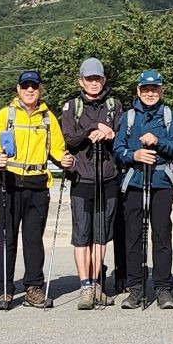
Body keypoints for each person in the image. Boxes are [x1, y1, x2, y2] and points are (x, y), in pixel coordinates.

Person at [0, 69, 65, 310]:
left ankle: (33, 288)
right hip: (9, 182)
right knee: (7, 238)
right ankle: (4, 290)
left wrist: (65, 159)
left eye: (34, 86)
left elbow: (58, 149)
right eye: (25, 86)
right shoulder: (5, 115)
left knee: (33, 240)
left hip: (37, 183)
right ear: (18, 89)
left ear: (40, 89)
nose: (29, 90)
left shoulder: (48, 118)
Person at [113, 69, 173, 310]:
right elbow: (118, 149)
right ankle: (135, 289)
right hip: (134, 182)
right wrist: (134, 155)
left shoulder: (170, 116)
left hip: (161, 183)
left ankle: (163, 288)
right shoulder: (129, 117)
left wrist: (158, 141)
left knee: (161, 236)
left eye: (154, 89)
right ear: (138, 90)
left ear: (161, 90)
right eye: (146, 89)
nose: (150, 93)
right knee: (133, 236)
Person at [57, 58, 124, 310]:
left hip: (108, 178)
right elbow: (69, 139)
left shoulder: (114, 105)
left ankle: (96, 284)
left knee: (101, 236)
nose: (94, 83)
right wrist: (93, 130)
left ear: (103, 80)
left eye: (98, 79)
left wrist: (111, 133)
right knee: (82, 236)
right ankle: (85, 286)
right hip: (82, 179)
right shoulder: (71, 106)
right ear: (81, 81)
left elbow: (121, 137)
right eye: (89, 79)